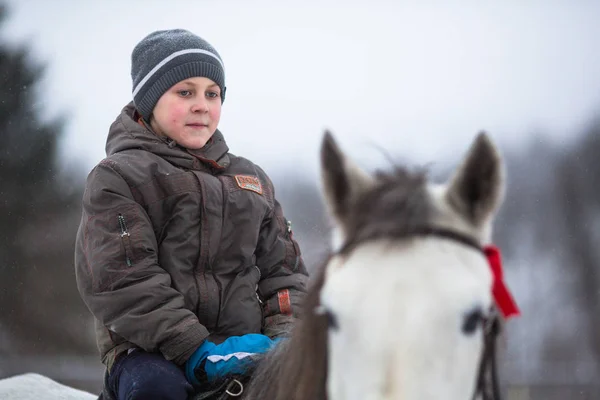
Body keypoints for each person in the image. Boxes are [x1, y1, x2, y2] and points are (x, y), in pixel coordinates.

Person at [74, 28, 308, 400]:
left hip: (250, 348)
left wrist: (286, 337)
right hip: (149, 352)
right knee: (157, 390)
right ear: (150, 101)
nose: (202, 104)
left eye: (212, 94)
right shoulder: (118, 177)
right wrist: (194, 349)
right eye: (185, 92)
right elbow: (124, 280)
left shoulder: (252, 180)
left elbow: (284, 272)